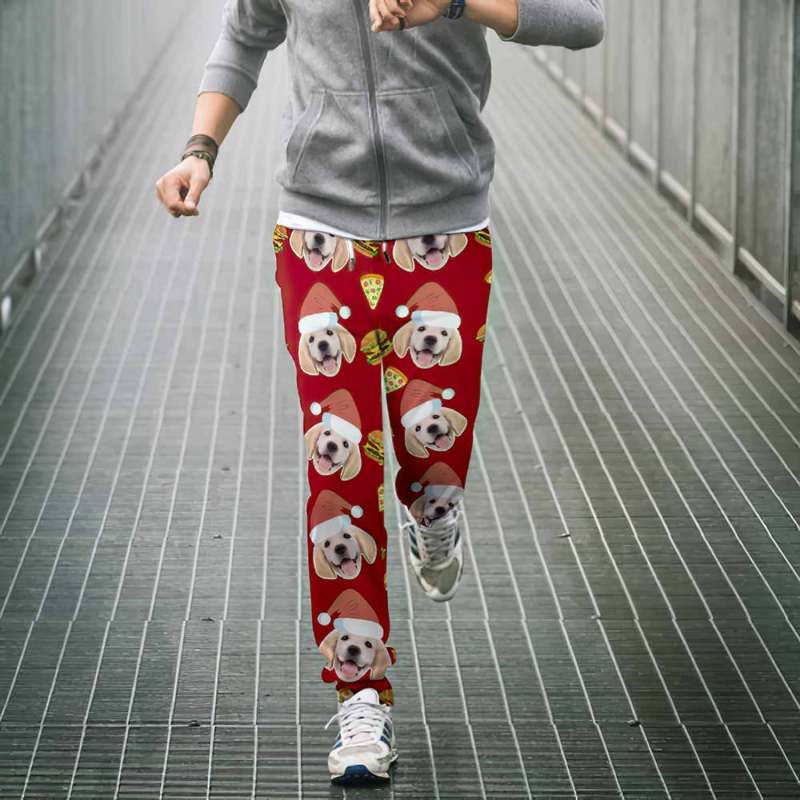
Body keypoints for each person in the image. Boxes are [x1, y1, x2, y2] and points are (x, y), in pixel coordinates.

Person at [155, 0, 605, 785]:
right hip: (318, 231)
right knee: (338, 471)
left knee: (433, 449)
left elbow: (583, 19)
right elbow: (245, 36)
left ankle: (435, 509)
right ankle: (361, 697)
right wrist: (200, 149)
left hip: (445, 228)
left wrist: (452, 4)